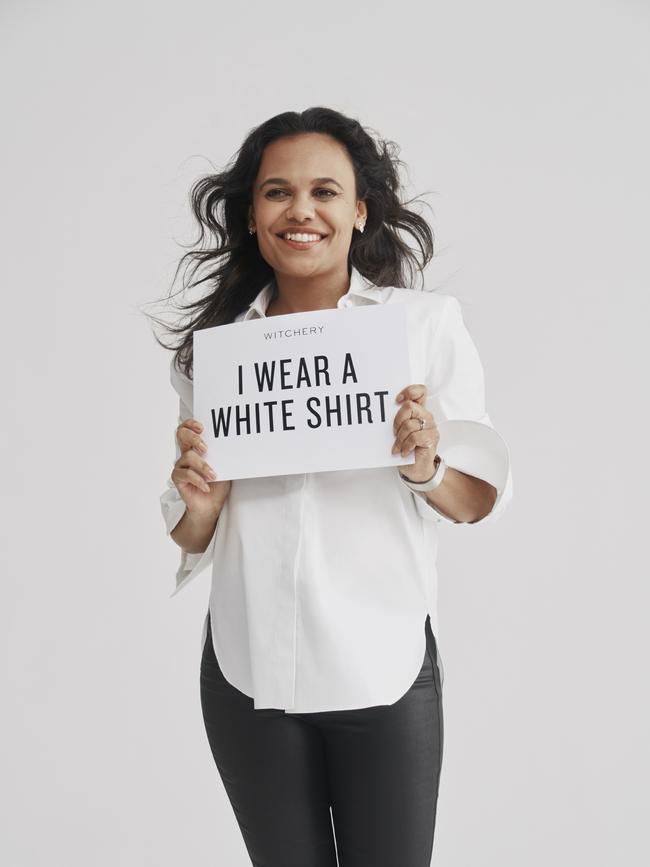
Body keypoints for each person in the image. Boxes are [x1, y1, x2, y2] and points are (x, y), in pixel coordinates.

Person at [156, 107, 513, 867]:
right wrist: (201, 506)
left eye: (324, 190)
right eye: (277, 192)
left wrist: (425, 467)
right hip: (248, 667)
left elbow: (478, 495)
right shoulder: (216, 355)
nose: (301, 210)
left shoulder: (422, 327)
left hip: (380, 663)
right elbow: (193, 533)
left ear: (359, 210)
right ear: (252, 216)